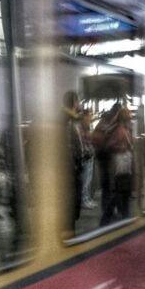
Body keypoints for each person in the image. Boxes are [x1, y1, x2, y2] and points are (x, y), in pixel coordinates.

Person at [62, 91, 84, 228]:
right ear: (74, 102)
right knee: (71, 206)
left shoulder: (70, 120)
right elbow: (68, 147)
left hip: (71, 169)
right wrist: (76, 165)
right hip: (70, 171)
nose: (79, 104)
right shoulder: (67, 121)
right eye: (78, 101)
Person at [79, 108, 96, 209]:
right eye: (89, 115)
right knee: (85, 180)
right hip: (85, 156)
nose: (90, 117)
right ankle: (84, 200)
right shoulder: (81, 128)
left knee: (88, 179)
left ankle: (87, 198)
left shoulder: (87, 127)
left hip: (89, 155)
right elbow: (83, 142)